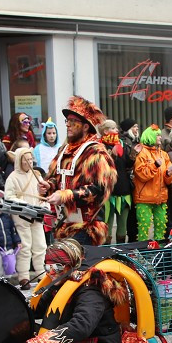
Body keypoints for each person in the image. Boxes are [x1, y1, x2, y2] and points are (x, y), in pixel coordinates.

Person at [43, 96, 117, 245]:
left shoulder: (95, 152)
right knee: (60, 267)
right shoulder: (63, 150)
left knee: (79, 268)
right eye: (67, 121)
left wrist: (67, 195)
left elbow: (99, 189)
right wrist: (48, 186)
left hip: (87, 227)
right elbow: (57, 179)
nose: (68, 125)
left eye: (73, 122)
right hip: (63, 224)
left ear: (85, 127)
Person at [4, 146, 48, 289]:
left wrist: (43, 205)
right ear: (19, 161)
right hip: (22, 216)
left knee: (40, 245)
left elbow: (43, 194)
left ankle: (41, 273)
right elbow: (9, 197)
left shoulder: (36, 174)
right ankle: (23, 276)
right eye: (26, 160)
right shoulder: (12, 177)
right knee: (25, 246)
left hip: (36, 214)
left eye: (30, 159)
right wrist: (24, 204)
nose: (29, 162)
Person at [133, 125, 172, 240]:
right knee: (144, 227)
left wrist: (169, 174)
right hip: (144, 198)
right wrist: (155, 165)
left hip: (161, 198)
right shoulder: (142, 153)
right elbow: (142, 175)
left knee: (161, 226)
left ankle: (159, 249)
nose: (160, 137)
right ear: (150, 136)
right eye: (157, 135)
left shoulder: (164, 154)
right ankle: (141, 250)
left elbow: (168, 179)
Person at [0, 201, 22, 283]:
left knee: (9, 267)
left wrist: (18, 241)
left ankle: (7, 282)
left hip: (9, 247)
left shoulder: (7, 217)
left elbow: (13, 230)